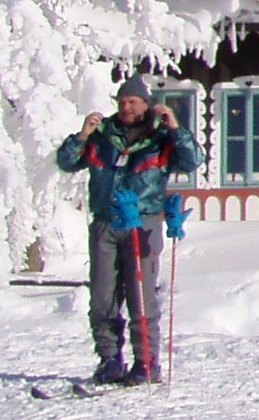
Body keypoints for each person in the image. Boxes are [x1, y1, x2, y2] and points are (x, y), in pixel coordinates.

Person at [54, 76, 200, 385]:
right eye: (121, 102)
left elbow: (191, 161)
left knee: (140, 294)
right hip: (106, 221)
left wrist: (174, 126)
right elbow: (66, 162)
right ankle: (109, 360)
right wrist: (83, 135)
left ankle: (146, 362)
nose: (126, 107)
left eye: (132, 101)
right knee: (103, 294)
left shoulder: (160, 138)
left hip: (143, 222)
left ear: (145, 104)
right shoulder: (102, 136)